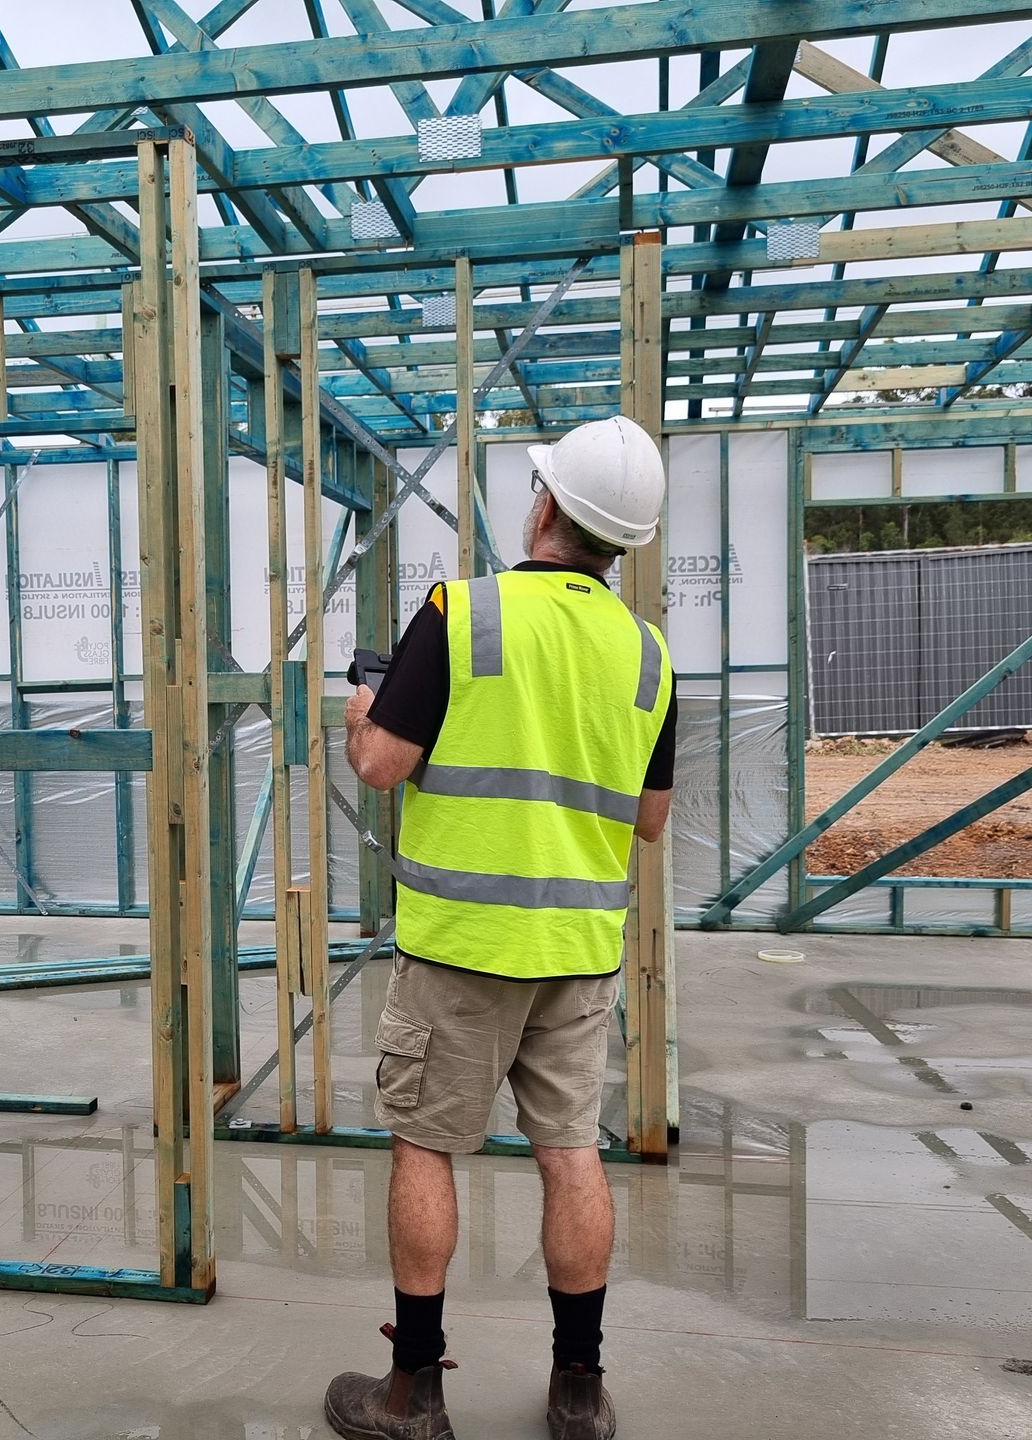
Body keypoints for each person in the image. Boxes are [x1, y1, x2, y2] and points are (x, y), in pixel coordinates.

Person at [323, 415, 675, 1440]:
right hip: (577, 954)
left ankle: (416, 1394)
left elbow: (381, 765)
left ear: (548, 506)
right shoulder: (645, 652)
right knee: (570, 1154)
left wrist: (363, 704)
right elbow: (649, 823)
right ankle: (577, 1392)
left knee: (427, 1150)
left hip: (461, 951)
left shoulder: (460, 613)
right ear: (625, 541)